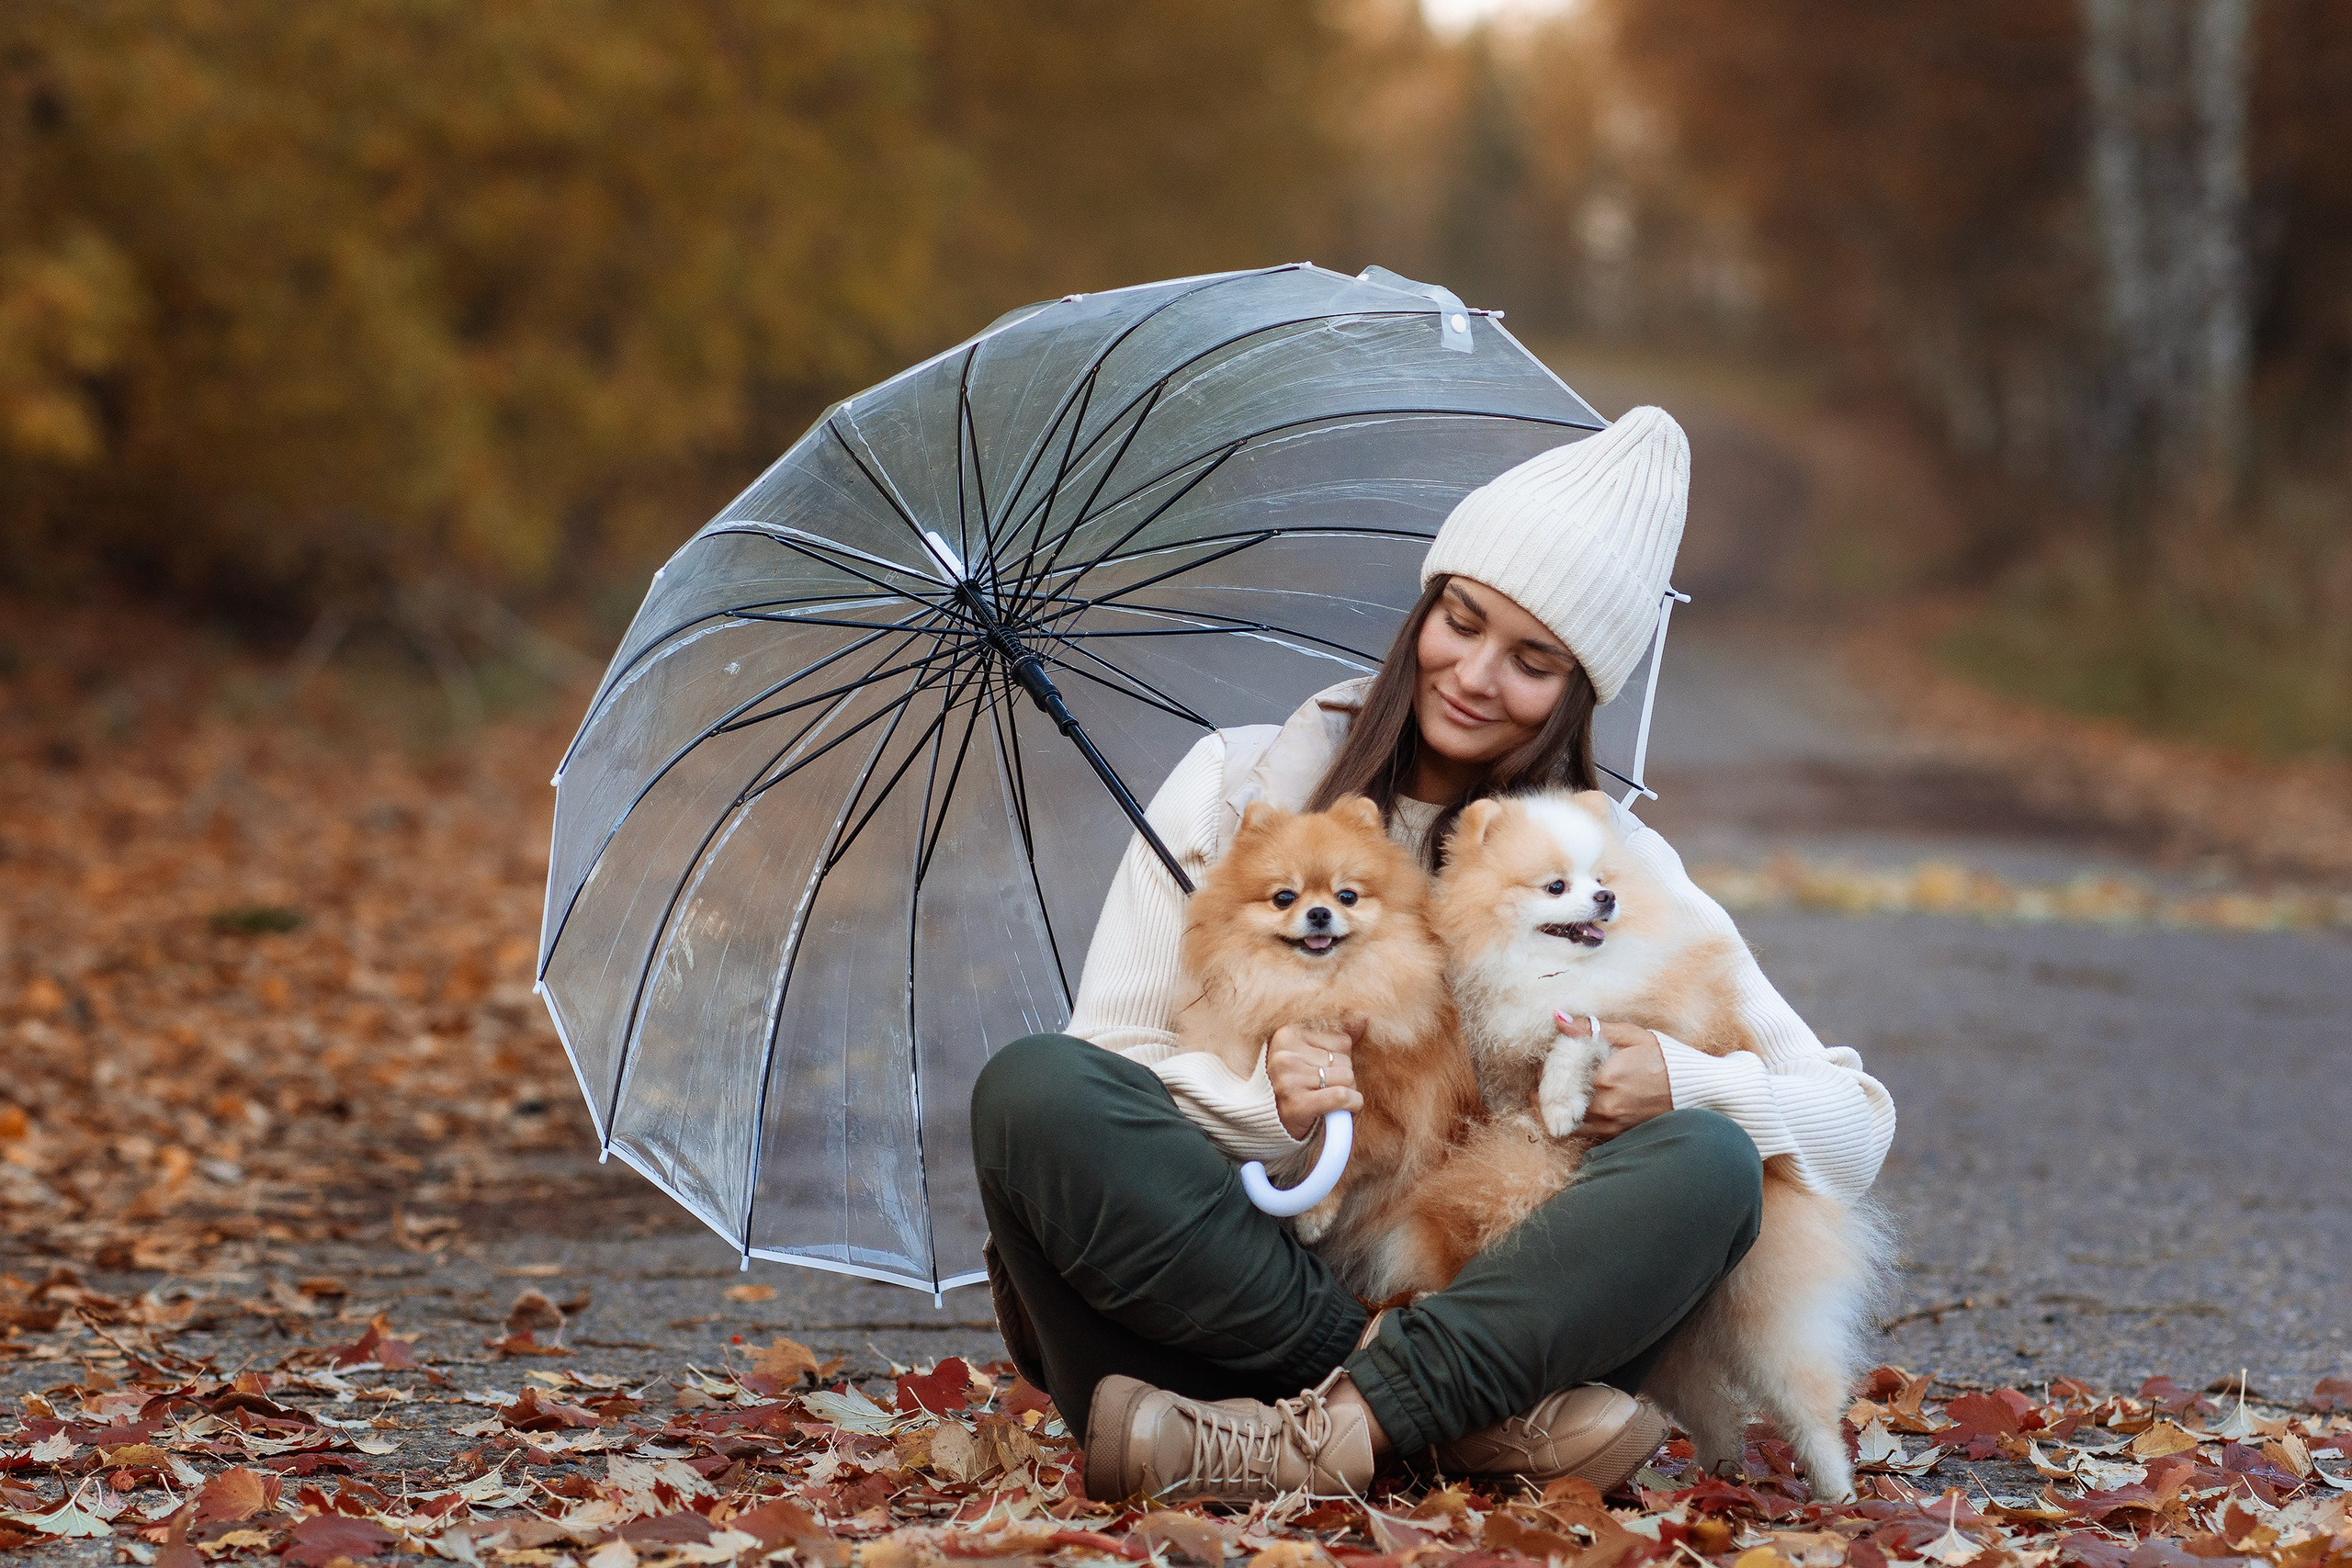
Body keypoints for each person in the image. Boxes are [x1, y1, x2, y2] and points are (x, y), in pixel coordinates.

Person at [967, 407, 1896, 1502]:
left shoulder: (1605, 862)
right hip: (1224, 1319)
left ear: (1577, 690)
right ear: (1424, 606)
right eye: (1462, 620)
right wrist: (1262, 1109)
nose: (1475, 674)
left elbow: (1855, 1121)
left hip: (1463, 1317)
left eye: (1533, 660)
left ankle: (1304, 1438)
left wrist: (1684, 1083)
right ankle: (1423, 1422)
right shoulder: (1238, 787)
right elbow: (1109, 1055)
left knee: (1709, 1163)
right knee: (1033, 1089)